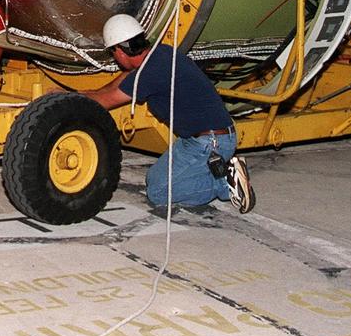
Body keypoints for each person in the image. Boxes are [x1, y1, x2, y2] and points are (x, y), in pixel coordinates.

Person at [79, 13, 254, 213]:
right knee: (153, 178)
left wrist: (67, 97)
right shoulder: (159, 55)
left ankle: (226, 184)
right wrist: (80, 93)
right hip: (200, 139)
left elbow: (104, 101)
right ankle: (221, 169)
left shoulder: (149, 72)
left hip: (210, 142)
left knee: (159, 192)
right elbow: (118, 83)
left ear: (119, 51)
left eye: (112, 52)